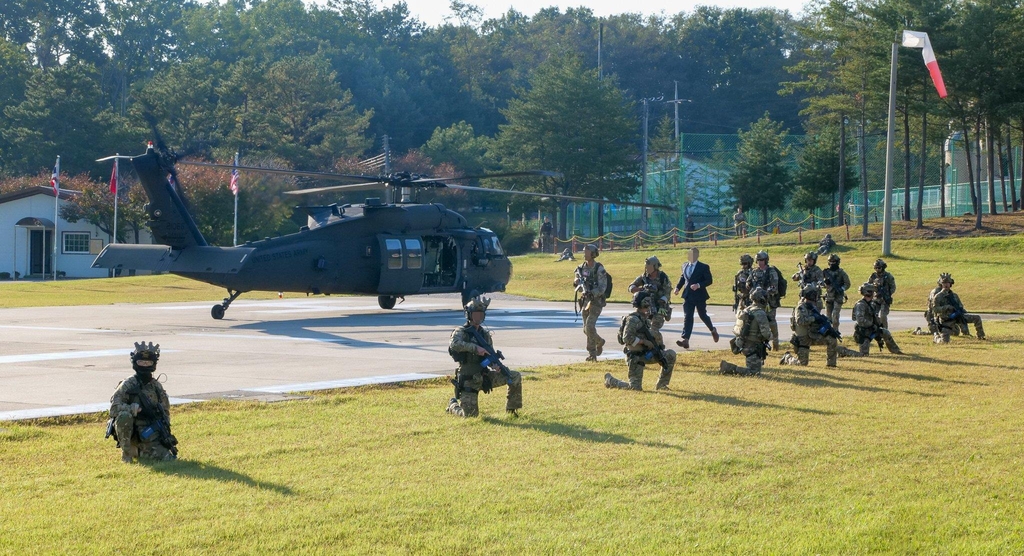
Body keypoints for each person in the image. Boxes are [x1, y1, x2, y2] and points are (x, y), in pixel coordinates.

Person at [447, 297, 523, 417]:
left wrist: (494, 366)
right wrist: (475, 348)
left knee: (514, 376)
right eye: (476, 315)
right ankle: (453, 406)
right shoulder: (461, 331)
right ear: (469, 315)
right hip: (469, 380)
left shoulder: (485, 335)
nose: (478, 318)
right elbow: (454, 344)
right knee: (470, 416)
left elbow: (488, 357)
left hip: (484, 376)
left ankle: (511, 410)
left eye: (481, 315)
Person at [108, 341, 178, 463]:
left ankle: (139, 451)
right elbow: (113, 409)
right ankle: (127, 453)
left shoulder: (156, 387)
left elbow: (165, 412)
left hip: (149, 431)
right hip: (132, 430)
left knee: (167, 458)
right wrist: (133, 409)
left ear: (153, 364)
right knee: (124, 416)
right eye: (141, 362)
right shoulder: (128, 384)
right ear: (135, 363)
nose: (145, 365)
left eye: (148, 363)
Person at [605, 292, 676, 391]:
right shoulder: (633, 319)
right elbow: (627, 338)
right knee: (635, 388)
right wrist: (643, 342)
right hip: (635, 357)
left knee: (670, 355)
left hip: (647, 353)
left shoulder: (645, 319)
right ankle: (611, 381)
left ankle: (661, 385)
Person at [779, 285, 839, 367]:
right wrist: (813, 318)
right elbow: (800, 321)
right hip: (803, 339)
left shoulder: (813, 306)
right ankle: (787, 357)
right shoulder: (801, 307)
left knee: (832, 340)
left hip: (813, 334)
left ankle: (831, 364)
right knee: (802, 364)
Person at [720, 287, 773, 376]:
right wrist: (771, 336)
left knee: (755, 371)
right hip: (753, 347)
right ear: (762, 299)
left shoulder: (747, 309)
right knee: (754, 373)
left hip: (743, 344)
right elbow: (766, 334)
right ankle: (727, 367)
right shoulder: (760, 313)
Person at [674, 247, 718, 349]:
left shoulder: (703, 267)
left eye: (693, 254)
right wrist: (677, 288)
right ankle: (686, 339)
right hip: (688, 295)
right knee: (688, 316)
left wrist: (698, 285)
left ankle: (712, 330)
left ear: (697, 256)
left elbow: (709, 280)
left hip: (699, 296)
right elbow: (683, 278)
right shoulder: (684, 265)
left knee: (702, 315)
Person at [573, 244, 608, 361]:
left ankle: (592, 354)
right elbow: (576, 279)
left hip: (596, 302)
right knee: (586, 329)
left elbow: (602, 288)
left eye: (586, 252)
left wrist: (592, 293)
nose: (584, 254)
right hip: (585, 302)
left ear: (592, 254)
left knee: (589, 326)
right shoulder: (581, 267)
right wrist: (577, 281)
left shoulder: (599, 269)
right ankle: (599, 342)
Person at [628, 255, 672, 346]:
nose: (647, 269)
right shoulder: (644, 277)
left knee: (653, 329)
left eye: (649, 267)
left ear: (655, 267)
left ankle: (660, 347)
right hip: (645, 307)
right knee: (638, 325)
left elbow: (668, 293)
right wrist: (639, 289)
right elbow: (631, 287)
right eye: (646, 267)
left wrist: (662, 300)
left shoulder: (663, 277)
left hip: (660, 307)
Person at [932, 273, 985, 343]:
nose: (946, 285)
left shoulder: (954, 296)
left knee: (977, 318)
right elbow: (935, 309)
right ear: (941, 284)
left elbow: (960, 306)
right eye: (944, 283)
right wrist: (946, 307)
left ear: (950, 284)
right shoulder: (938, 296)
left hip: (957, 317)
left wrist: (961, 312)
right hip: (947, 320)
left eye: (948, 283)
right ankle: (936, 337)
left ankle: (981, 336)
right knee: (944, 342)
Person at [852, 283, 903, 355]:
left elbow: (874, 317)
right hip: (864, 332)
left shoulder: (871, 304)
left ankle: (896, 350)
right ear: (869, 293)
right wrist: (872, 325)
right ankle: (844, 352)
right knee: (863, 354)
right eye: (872, 292)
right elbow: (860, 320)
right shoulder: (860, 305)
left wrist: (878, 326)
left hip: (873, 329)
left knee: (885, 332)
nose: (874, 294)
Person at [745, 250, 781, 351]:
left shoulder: (771, 272)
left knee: (771, 322)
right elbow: (748, 283)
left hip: (769, 302)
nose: (760, 262)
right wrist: (750, 286)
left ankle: (776, 343)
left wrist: (766, 292)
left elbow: (775, 288)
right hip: (756, 302)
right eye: (758, 260)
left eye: (762, 260)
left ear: (766, 261)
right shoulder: (754, 272)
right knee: (757, 322)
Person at [822, 253, 851, 328]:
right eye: (830, 262)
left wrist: (842, 289)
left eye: (834, 262)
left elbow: (847, 283)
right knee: (828, 318)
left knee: (835, 316)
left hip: (838, 297)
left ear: (837, 262)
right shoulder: (825, 272)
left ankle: (835, 330)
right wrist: (825, 283)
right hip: (829, 297)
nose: (832, 263)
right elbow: (820, 283)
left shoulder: (841, 273)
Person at [868, 259, 896, 329]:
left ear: (883, 267)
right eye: (876, 268)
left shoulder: (888, 276)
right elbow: (868, 285)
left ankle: (885, 331)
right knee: (873, 315)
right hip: (875, 299)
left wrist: (887, 294)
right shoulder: (873, 276)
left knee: (883, 316)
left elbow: (893, 287)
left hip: (884, 300)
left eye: (879, 268)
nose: (877, 269)